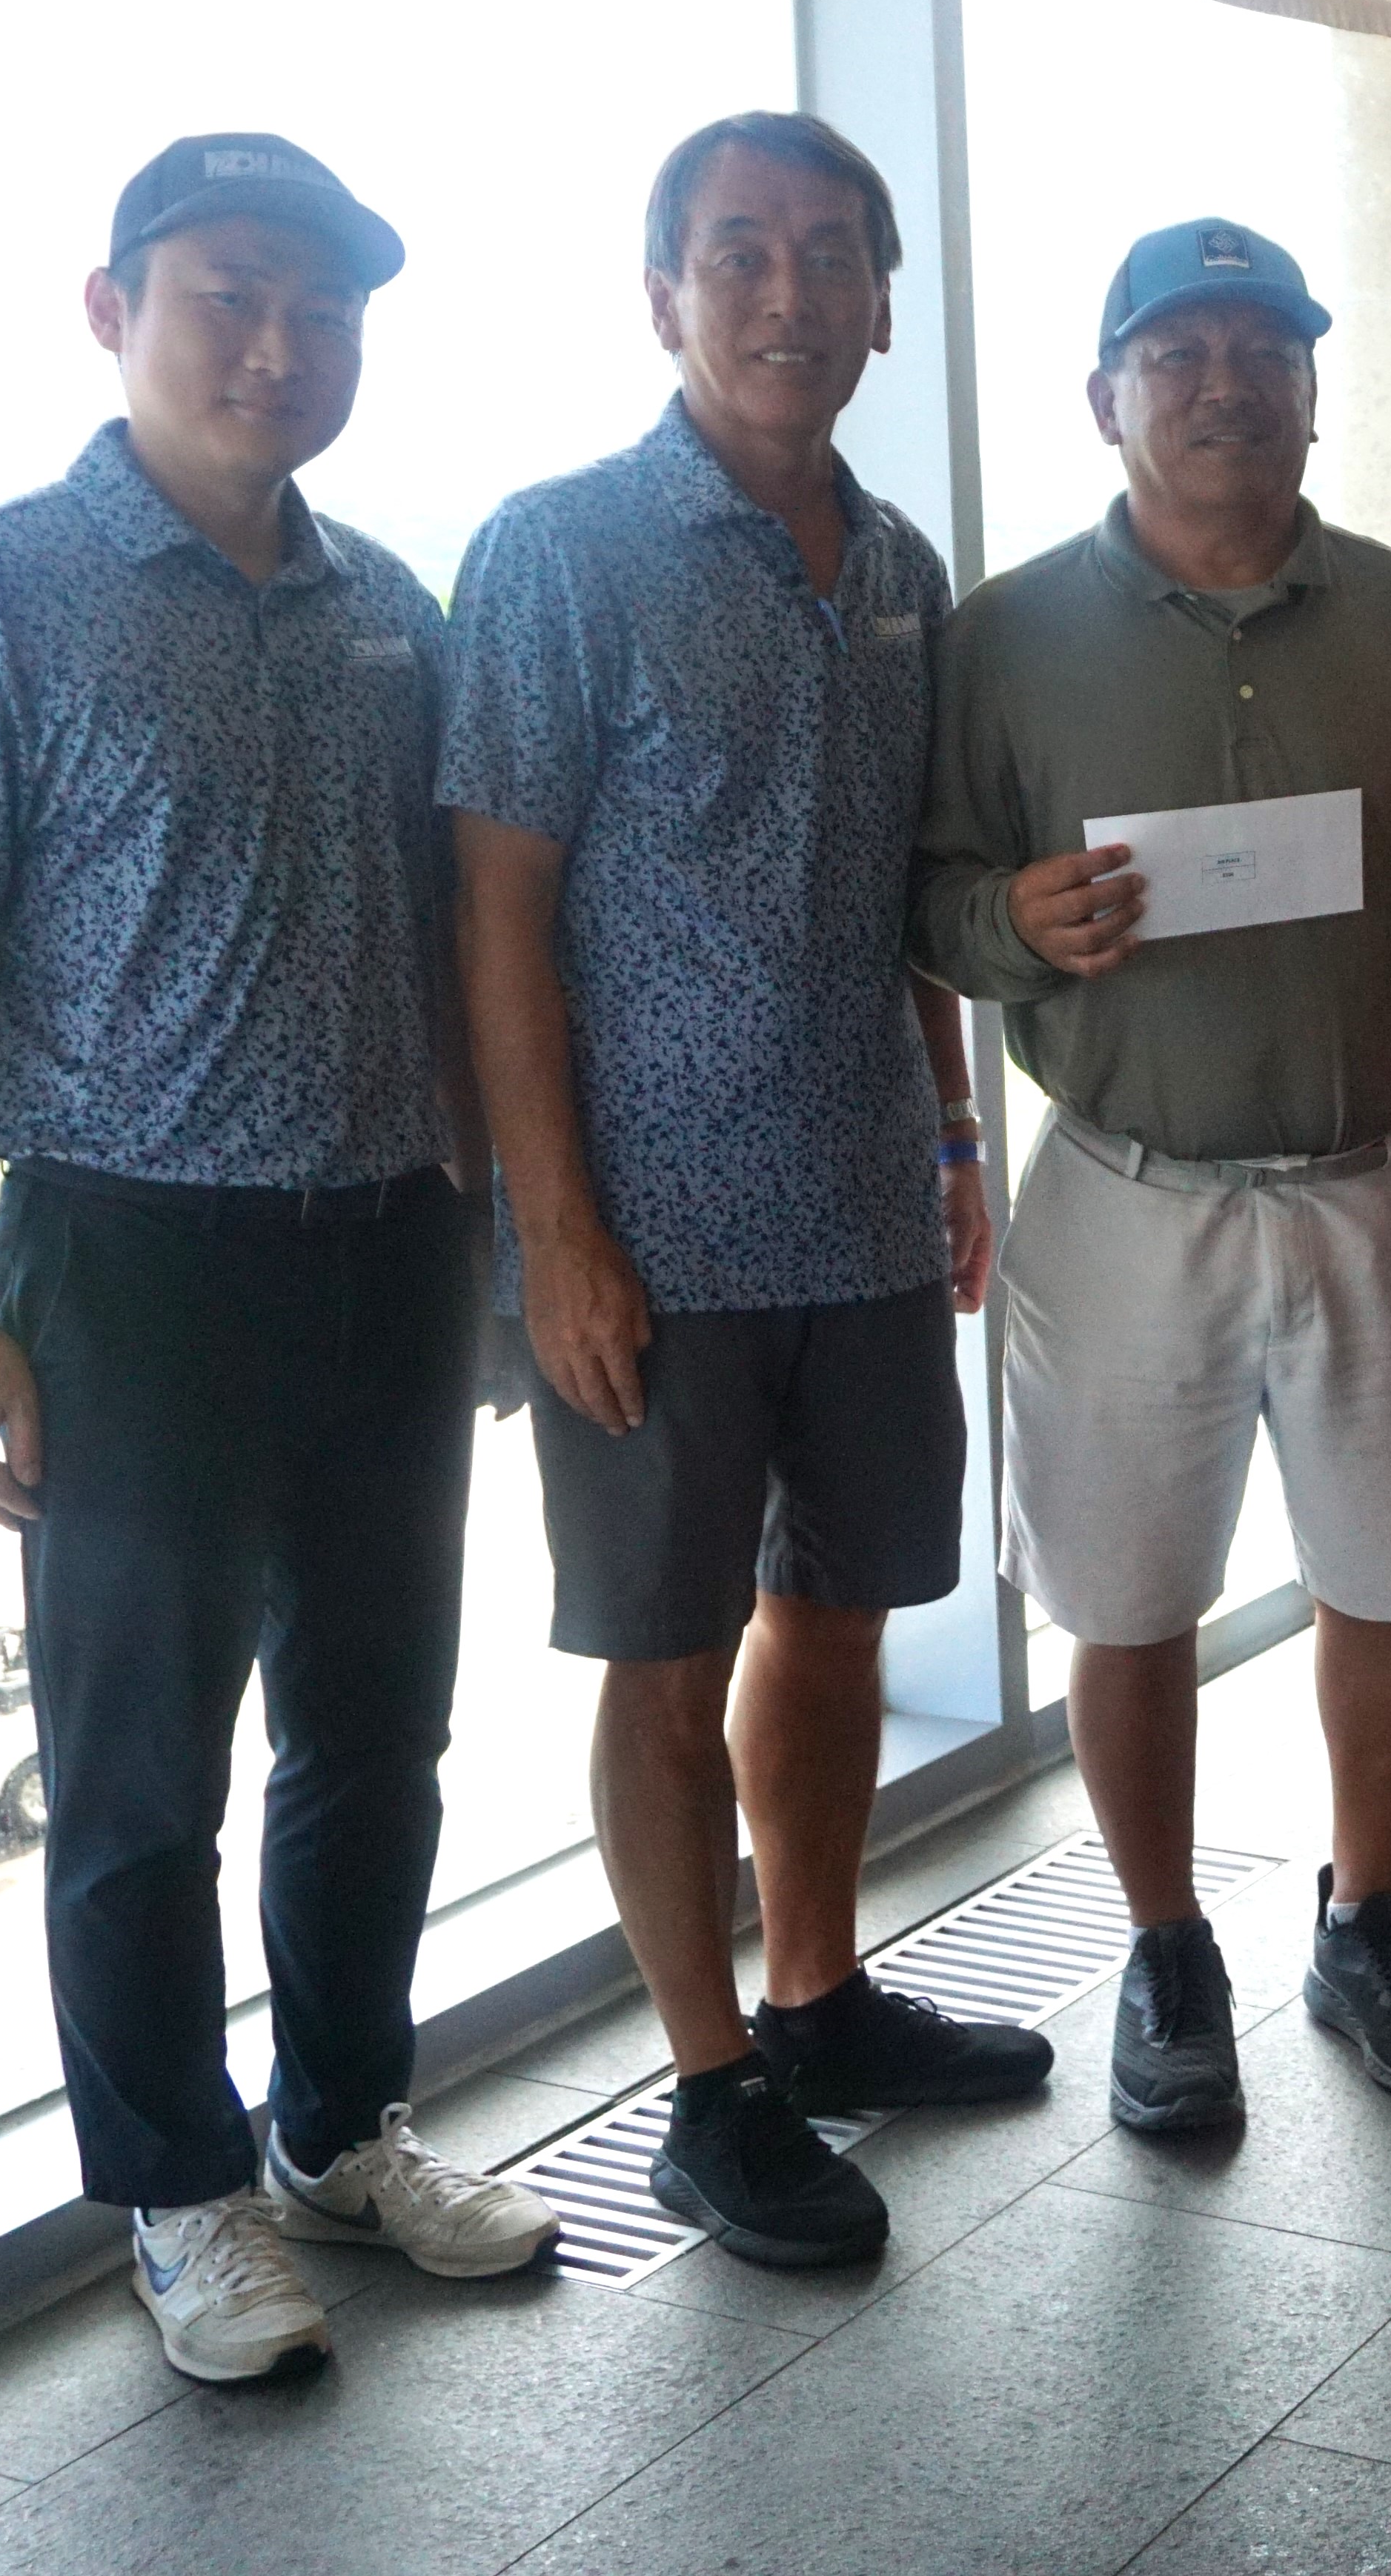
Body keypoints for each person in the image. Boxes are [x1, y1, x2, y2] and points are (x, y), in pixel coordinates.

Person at [0, 135, 557, 2385]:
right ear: (112, 309)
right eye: (227, 295)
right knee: (142, 1771)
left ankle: (344, 2124)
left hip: (390, 1244)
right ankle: (175, 2186)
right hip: (128, 1259)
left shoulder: (390, 613)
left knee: (381, 1732)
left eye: (319, 312)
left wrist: (503, 1238)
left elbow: (460, 956)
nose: (276, 345)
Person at [448, 111, 1046, 2269]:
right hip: (654, 1236)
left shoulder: (900, 573)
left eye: (828, 255)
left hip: (870, 1206)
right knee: (660, 1651)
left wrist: (959, 1132)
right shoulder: (559, 551)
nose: (788, 293)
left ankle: (815, 2000)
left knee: (848, 1606)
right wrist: (559, 1235)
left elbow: (908, 893)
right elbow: (495, 913)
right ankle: (704, 2086)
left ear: (884, 300)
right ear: (664, 296)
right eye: (740, 254)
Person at [909, 218, 1391, 2134]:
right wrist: (1012, 924)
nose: (1220, 384)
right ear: (1105, 394)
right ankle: (1165, 1942)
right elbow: (921, 899)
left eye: (1260, 348)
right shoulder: (1003, 636)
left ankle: (1366, 1918)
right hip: (1120, 1188)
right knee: (1122, 1597)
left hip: (1374, 1173)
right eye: (1174, 352)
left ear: (1312, 388)